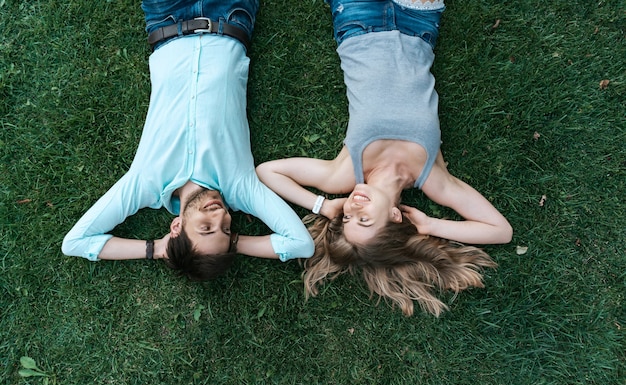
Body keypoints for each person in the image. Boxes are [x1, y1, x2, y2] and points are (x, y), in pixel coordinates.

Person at [256, 0, 513, 316]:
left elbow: (267, 171)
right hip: (419, 24)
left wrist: (322, 206)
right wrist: (429, 224)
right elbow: (500, 231)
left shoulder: (344, 173)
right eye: (364, 219)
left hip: (358, 19)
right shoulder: (433, 179)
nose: (352, 207)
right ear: (394, 216)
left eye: (347, 217)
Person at [62, 0, 314, 280]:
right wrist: (232, 245)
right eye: (228, 230)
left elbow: (75, 242)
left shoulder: (146, 182)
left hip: (167, 18)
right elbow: (300, 244)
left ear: (176, 227)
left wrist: (156, 248)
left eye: (206, 228)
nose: (220, 218)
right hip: (230, 15)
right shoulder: (239, 187)